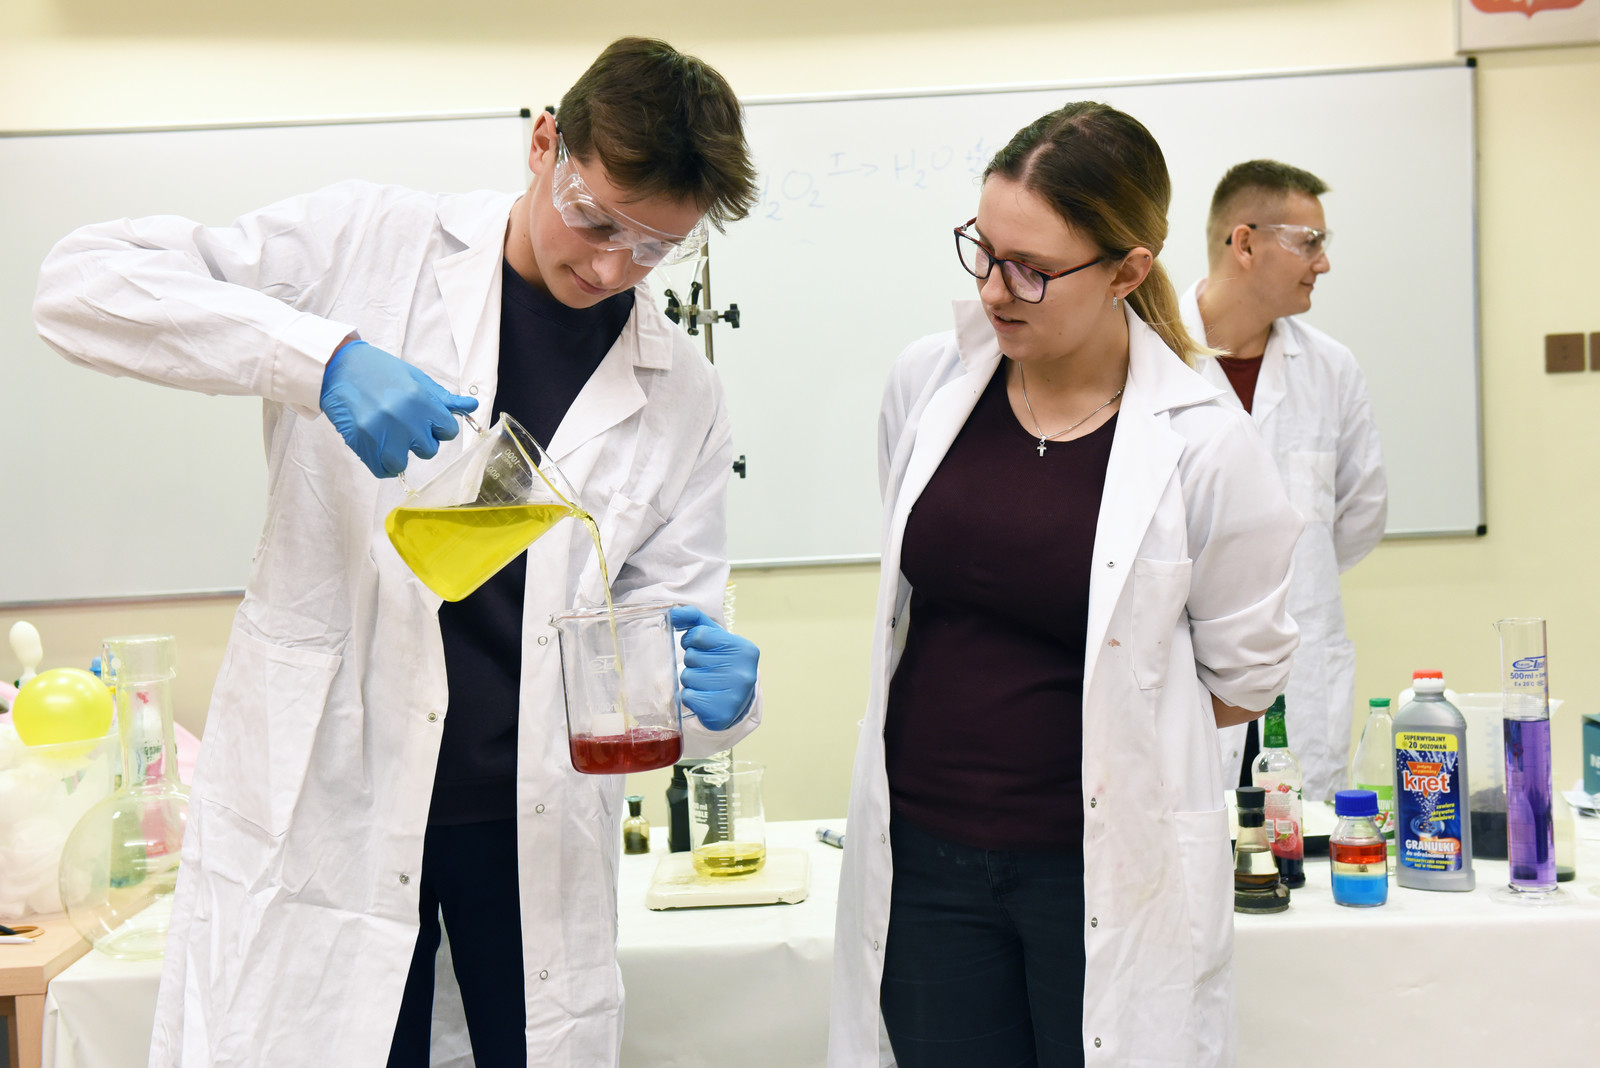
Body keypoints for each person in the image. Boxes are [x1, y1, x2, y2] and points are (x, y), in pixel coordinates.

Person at [34, 37, 762, 1068]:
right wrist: (319, 356)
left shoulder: (681, 390)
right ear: (544, 143)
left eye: (653, 248)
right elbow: (82, 286)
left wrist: (708, 692)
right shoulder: (367, 248)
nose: (610, 268)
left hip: (530, 827)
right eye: (596, 219)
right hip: (333, 802)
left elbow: (662, 621)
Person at [828, 102, 1303, 1067]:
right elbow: (917, 600)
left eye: (1031, 270)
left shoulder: (1205, 445)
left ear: (1127, 271)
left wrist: (1107, 728)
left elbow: (1242, 679)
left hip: (1102, 869)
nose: (993, 290)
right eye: (983, 250)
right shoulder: (928, 385)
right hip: (924, 860)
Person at [1178, 160, 1387, 801]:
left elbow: (1359, 514)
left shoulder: (1330, 369)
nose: (1323, 263)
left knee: (1302, 842)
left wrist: (1289, 578)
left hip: (1300, 671)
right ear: (1244, 243)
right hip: (1185, 674)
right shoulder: (1148, 356)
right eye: (1309, 241)